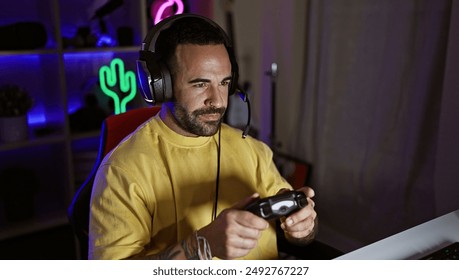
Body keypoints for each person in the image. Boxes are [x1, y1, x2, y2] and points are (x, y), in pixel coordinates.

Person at [88, 14, 317, 260]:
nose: (218, 101)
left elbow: (302, 232)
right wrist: (199, 247)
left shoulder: (253, 150)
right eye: (200, 84)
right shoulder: (122, 171)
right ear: (160, 84)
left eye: (224, 83)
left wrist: (302, 226)